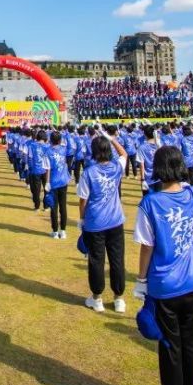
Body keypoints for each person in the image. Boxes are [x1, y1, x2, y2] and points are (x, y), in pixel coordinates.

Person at [133, 146, 193, 385]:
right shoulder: (192, 194)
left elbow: (146, 247)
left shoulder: (150, 204)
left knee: (171, 350)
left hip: (165, 286)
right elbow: (183, 185)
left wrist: (141, 280)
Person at [77, 127, 128, 313]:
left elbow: (83, 201)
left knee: (96, 260)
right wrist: (111, 139)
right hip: (115, 221)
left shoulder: (88, 173)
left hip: (95, 223)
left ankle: (97, 298)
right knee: (117, 260)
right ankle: (118, 298)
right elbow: (124, 154)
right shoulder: (116, 168)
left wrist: (81, 220)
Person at [47, 130, 71, 239]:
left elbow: (47, 168)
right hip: (63, 180)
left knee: (54, 206)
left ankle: (55, 231)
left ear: (50, 140)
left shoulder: (48, 151)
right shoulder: (64, 149)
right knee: (63, 206)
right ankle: (63, 230)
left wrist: (47, 182)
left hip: (53, 181)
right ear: (60, 140)